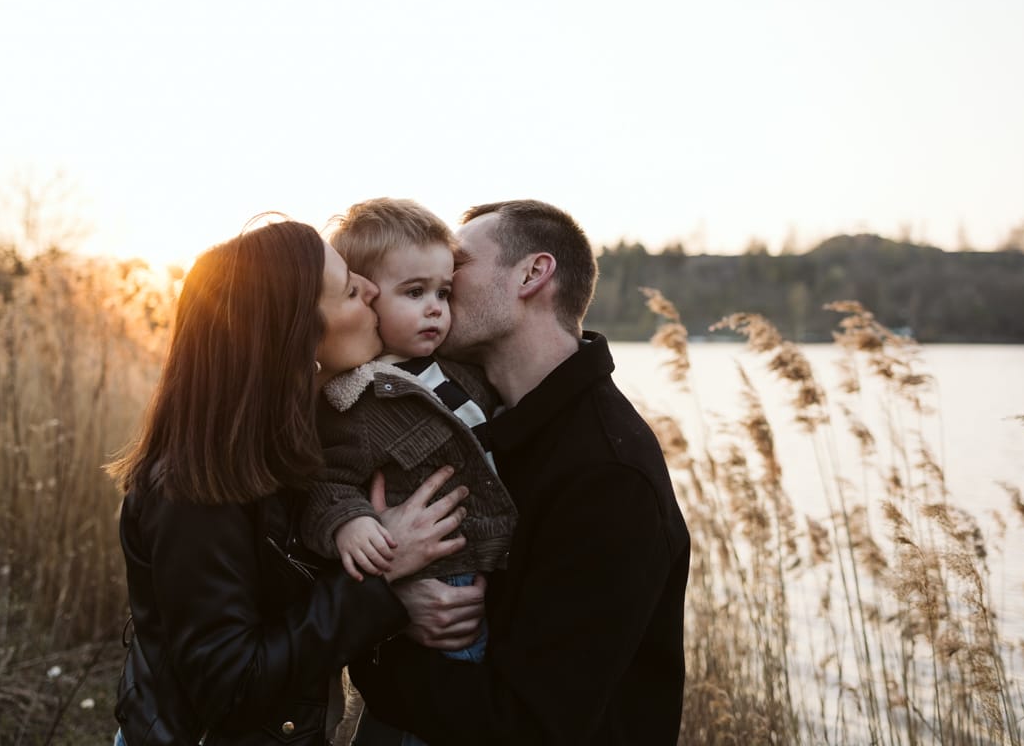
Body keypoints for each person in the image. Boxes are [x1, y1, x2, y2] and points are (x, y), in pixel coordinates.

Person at [108, 218, 477, 746]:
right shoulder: (195, 489)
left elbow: (300, 618)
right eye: (351, 288)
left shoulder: (304, 449)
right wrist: (385, 580)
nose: (372, 289)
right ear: (300, 338)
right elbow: (228, 686)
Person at [350, 200, 691, 745]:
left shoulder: (607, 473)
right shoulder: (464, 418)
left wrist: (372, 644)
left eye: (457, 266)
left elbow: (529, 724)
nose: (442, 279)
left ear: (532, 274)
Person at [301, 199, 518, 745]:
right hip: (433, 583)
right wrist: (351, 524)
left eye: (443, 293)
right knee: (414, 724)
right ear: (366, 298)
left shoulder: (463, 372)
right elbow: (326, 483)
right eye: (415, 293)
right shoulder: (359, 399)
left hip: (491, 584)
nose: (435, 309)